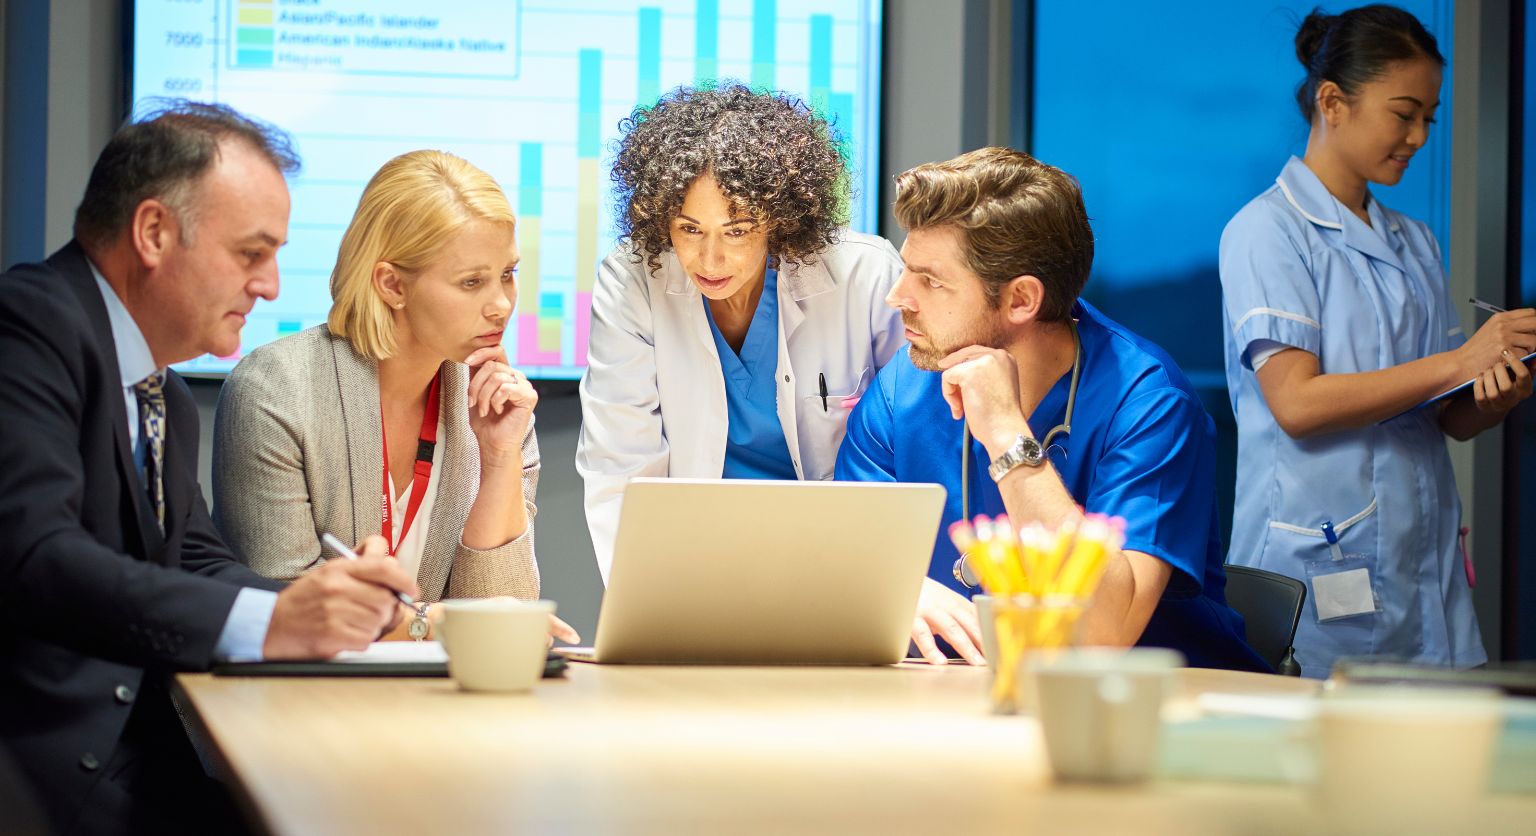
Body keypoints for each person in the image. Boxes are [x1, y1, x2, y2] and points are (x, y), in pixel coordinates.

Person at [0, 102, 418, 834]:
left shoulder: (164, 393)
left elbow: (197, 562)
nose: (271, 287)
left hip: (138, 764)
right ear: (154, 232)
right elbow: (34, 558)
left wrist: (331, 608)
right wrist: (276, 619)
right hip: (38, 775)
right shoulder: (29, 324)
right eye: (252, 253)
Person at [836, 148, 1267, 671]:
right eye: (906, 271)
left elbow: (1099, 633)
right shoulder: (904, 386)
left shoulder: (1149, 403)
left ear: (1021, 300)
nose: (897, 297)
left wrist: (1006, 432)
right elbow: (851, 566)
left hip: (1146, 719)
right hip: (956, 700)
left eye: (931, 280)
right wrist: (905, 592)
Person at [1219, 5, 1534, 677]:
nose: (1419, 135)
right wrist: (1460, 359)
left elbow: (1446, 417)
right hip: (1321, 567)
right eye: (1404, 112)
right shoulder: (1267, 231)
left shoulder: (1414, 241)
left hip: (1423, 566)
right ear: (1333, 101)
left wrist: (1493, 392)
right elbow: (1297, 404)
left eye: (1431, 117)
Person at [214, 150, 575, 644]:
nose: (501, 306)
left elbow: (500, 616)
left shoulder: (500, 403)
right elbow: (286, 608)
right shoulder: (277, 391)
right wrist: (433, 622)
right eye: (472, 282)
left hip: (437, 707)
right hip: (296, 703)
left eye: (507, 275)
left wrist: (499, 458)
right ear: (391, 284)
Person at [577, 83, 905, 579]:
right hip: (696, 562)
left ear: (780, 219)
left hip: (844, 561)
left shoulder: (865, 276)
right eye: (689, 229)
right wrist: (648, 600)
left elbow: (911, 444)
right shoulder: (634, 280)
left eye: (738, 230)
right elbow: (620, 467)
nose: (710, 260)